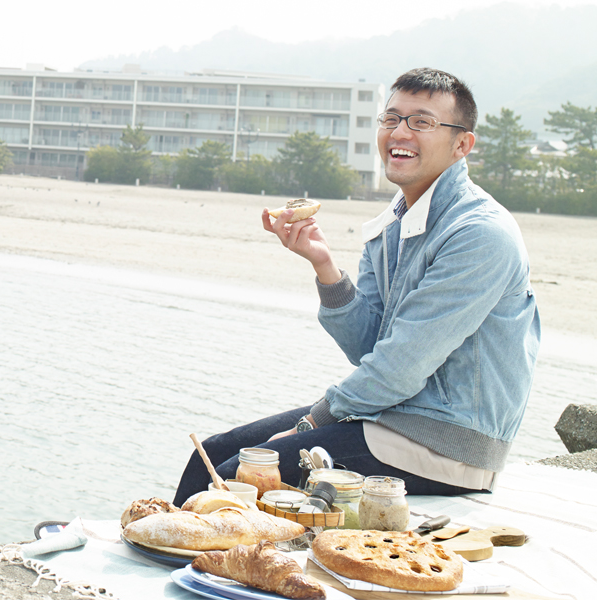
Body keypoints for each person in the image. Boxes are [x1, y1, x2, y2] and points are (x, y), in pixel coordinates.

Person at [173, 68, 540, 506]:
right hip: (390, 416)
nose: (400, 132)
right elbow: (369, 348)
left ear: (462, 145)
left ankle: (203, 547)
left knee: (239, 473)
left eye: (421, 122)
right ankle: (166, 543)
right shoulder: (392, 226)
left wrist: (310, 424)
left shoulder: (479, 234)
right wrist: (324, 264)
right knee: (210, 454)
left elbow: (401, 366)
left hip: (446, 445)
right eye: (392, 119)